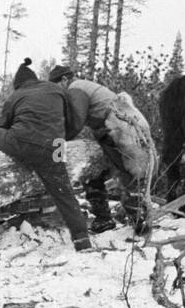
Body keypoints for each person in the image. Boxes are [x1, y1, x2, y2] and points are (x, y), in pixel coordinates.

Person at [0, 58, 92, 251]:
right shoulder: (57, 90)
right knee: (64, 192)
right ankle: (82, 239)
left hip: (22, 143)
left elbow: (2, 127)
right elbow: (72, 121)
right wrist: (58, 138)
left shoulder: (15, 96)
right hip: (56, 146)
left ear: (18, 84)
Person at [48, 64, 156, 232]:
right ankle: (112, 218)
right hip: (117, 125)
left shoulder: (75, 88)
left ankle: (138, 221)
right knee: (97, 170)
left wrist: (58, 144)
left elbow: (76, 121)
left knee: (129, 173)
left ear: (64, 79)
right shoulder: (82, 86)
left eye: (55, 85)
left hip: (121, 127)